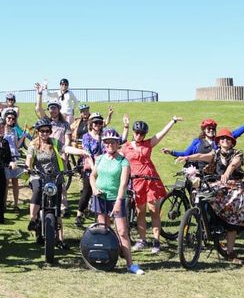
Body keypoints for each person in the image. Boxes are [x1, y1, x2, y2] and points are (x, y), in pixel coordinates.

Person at [176, 128, 244, 263]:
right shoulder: (216, 153)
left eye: (227, 139)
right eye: (222, 138)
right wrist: (187, 157)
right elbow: (201, 156)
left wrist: (226, 174)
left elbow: (234, 164)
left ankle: (230, 251)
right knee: (202, 193)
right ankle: (209, 224)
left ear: (232, 142)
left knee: (234, 211)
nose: (224, 140)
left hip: (233, 186)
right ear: (219, 142)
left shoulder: (237, 153)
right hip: (218, 185)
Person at [121, 114, 182, 254]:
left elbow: (160, 134)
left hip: (151, 181)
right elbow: (113, 148)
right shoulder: (126, 147)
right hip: (136, 182)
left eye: (142, 134)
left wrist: (172, 121)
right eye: (137, 132)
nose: (139, 135)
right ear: (133, 132)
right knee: (140, 212)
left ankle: (156, 241)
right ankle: (142, 240)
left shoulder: (148, 144)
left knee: (154, 211)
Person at [89, 127, 143, 274]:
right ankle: (105, 260)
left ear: (117, 143)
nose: (109, 145)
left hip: (116, 199)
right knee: (103, 230)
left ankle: (130, 264)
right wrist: (94, 189)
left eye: (112, 142)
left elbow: (123, 184)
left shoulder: (123, 161)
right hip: (100, 198)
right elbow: (92, 176)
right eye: (107, 142)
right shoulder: (99, 158)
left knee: (122, 231)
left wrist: (119, 201)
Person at [25, 118, 65, 241]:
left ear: (50, 132)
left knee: (57, 208)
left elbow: (66, 149)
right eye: (42, 131)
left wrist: (82, 152)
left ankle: (60, 238)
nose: (44, 133)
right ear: (38, 132)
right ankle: (32, 219)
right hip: (38, 175)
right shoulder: (33, 145)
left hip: (54, 177)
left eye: (47, 131)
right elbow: (29, 158)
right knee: (37, 190)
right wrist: (28, 167)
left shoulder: (54, 143)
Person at [164, 117, 244, 164]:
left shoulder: (219, 141)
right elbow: (186, 154)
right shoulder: (197, 142)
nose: (211, 130)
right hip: (198, 171)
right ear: (204, 130)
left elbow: (234, 134)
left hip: (214, 172)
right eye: (209, 128)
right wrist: (171, 152)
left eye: (213, 128)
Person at [74, 111, 110, 227]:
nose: (97, 125)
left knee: (104, 191)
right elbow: (87, 153)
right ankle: (79, 213)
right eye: (95, 123)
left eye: (99, 123)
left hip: (103, 168)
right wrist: (94, 167)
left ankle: (103, 215)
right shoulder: (86, 137)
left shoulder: (104, 136)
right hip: (90, 167)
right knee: (87, 191)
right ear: (91, 124)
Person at [1, 107, 30, 208]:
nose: (11, 120)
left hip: (15, 156)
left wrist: (23, 136)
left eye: (13, 119)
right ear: (5, 118)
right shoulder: (1, 130)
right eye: (9, 118)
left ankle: (16, 204)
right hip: (5, 158)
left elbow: (17, 145)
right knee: (5, 183)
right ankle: (3, 204)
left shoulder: (14, 130)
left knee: (15, 182)